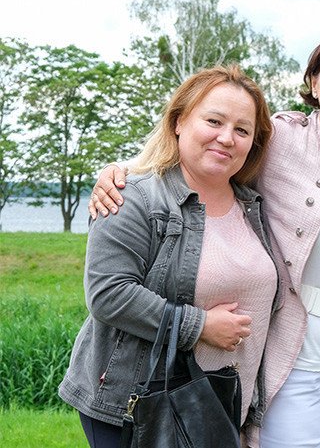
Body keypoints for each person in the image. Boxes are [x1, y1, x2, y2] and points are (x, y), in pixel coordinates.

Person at [87, 29, 320, 448]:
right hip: (291, 352)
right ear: (314, 83)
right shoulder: (281, 138)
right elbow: (199, 155)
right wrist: (119, 171)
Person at [59, 65, 278, 448]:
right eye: (214, 121)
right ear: (178, 121)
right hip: (143, 405)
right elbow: (109, 294)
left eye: (242, 130)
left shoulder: (254, 205)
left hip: (223, 405)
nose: (227, 138)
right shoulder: (132, 196)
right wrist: (199, 326)